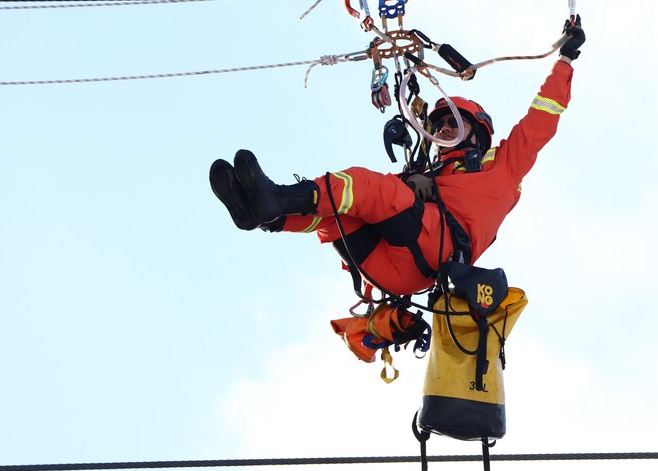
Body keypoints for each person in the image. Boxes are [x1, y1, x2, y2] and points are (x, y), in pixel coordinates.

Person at [210, 17, 585, 296]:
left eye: (453, 124)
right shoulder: (431, 169)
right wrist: (414, 177)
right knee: (337, 213)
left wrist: (565, 59)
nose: (441, 131)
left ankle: (274, 196)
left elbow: (541, 118)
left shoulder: (501, 167)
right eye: (437, 126)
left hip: (434, 252)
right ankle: (267, 216)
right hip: (386, 262)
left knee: (370, 187)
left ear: (479, 132)